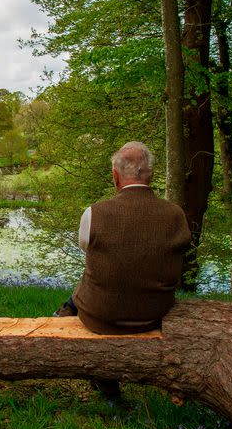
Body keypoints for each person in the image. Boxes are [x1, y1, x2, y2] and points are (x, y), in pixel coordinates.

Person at [54, 141, 191, 397]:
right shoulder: (175, 214)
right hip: (154, 313)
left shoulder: (94, 213)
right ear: (150, 174)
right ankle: (67, 309)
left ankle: (66, 311)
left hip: (101, 316)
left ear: (116, 176)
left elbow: (87, 249)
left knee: (93, 273)